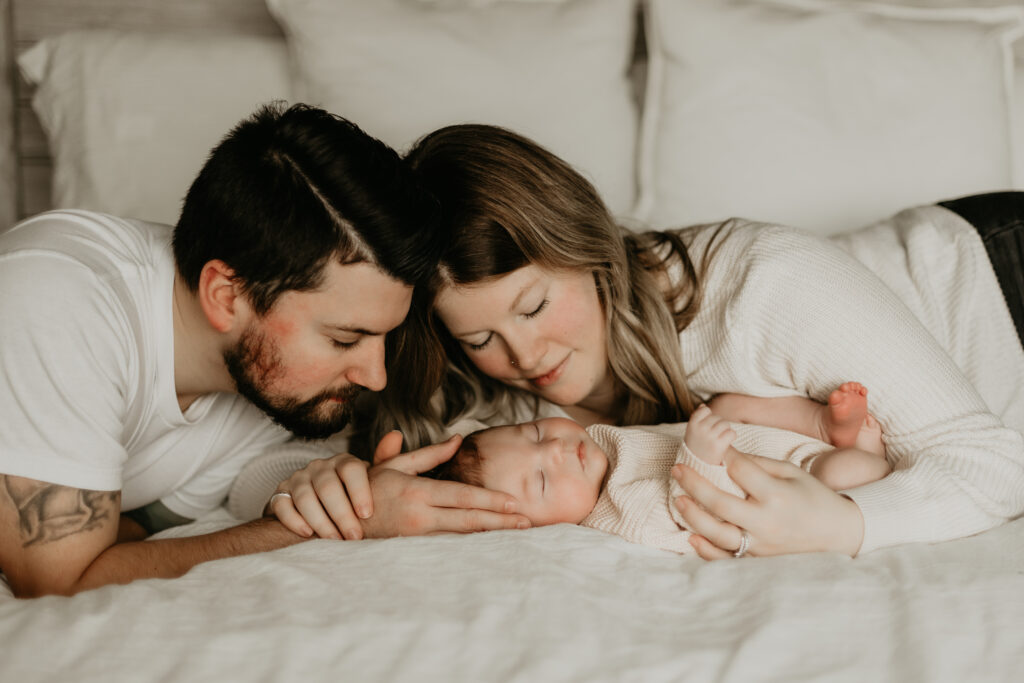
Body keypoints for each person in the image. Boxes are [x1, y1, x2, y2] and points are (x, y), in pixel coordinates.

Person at [257, 123, 1024, 561]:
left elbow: (991, 463)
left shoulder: (758, 285)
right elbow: (253, 467)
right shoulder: (488, 399)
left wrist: (844, 525)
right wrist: (322, 484)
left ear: (590, 248)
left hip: (1000, 277)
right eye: (483, 335)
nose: (526, 357)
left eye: (534, 305)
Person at [0, 105, 527, 599]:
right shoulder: (58, 298)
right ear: (225, 296)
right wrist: (341, 527)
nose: (374, 376)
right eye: (345, 339)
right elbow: (58, 584)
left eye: (384, 336)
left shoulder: (269, 389)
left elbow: (133, 537)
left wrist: (333, 498)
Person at [428, 384, 890, 554]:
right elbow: (684, 512)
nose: (555, 450)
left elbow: (469, 433)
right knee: (839, 477)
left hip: (762, 442)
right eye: (543, 480)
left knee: (727, 403)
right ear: (530, 527)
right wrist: (700, 458)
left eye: (533, 432)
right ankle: (864, 455)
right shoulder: (615, 514)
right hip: (793, 490)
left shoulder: (597, 446)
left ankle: (821, 423)